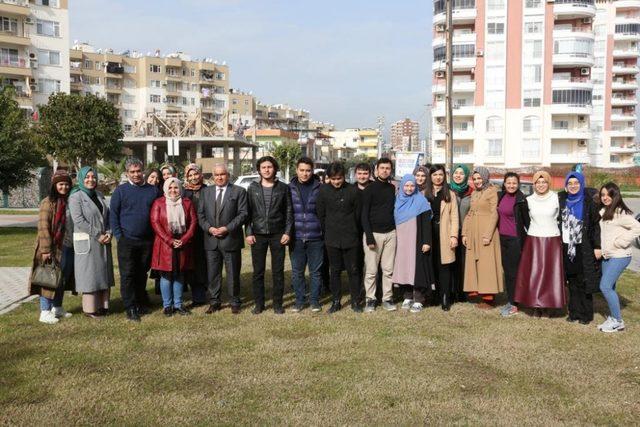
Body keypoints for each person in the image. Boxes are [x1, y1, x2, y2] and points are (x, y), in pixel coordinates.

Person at [110, 157, 160, 322]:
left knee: (142, 273)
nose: (136, 174)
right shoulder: (120, 191)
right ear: (127, 173)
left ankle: (140, 302)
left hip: (147, 240)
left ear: (143, 171)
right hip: (127, 240)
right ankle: (130, 307)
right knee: (128, 275)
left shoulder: (152, 190)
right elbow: (114, 215)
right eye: (132, 172)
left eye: (139, 171)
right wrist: (119, 236)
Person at [245, 156, 294, 314]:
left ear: (275, 169)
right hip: (258, 234)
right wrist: (248, 232)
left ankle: (278, 304)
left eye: (270, 167)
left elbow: (288, 212)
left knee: (277, 271)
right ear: (259, 169)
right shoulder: (252, 188)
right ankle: (259, 304)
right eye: (263, 167)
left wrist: (287, 232)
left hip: (277, 234)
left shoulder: (284, 188)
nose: (267, 170)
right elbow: (248, 213)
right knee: (258, 271)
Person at [197, 163, 248, 314]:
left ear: (228, 175)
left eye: (222, 174)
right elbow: (200, 215)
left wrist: (227, 228)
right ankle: (214, 301)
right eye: (217, 175)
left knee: (232, 273)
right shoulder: (206, 192)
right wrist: (210, 228)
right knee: (213, 273)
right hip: (211, 240)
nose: (219, 177)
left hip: (230, 239)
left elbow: (243, 214)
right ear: (213, 177)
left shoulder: (239, 191)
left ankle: (234, 301)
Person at [514, 171, 565, 316]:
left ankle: (549, 304)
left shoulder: (557, 198)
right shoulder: (528, 200)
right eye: (538, 182)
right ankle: (535, 304)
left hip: (552, 239)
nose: (541, 185)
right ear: (534, 184)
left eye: (544, 182)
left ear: (549, 183)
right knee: (535, 273)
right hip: (534, 239)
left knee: (550, 273)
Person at [29, 170, 75, 324]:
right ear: (54, 185)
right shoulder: (47, 202)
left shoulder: (68, 201)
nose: (64, 187)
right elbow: (43, 227)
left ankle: (57, 307)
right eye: (61, 184)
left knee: (61, 279)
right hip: (52, 248)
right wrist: (46, 250)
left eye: (67, 184)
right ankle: (45, 311)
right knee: (47, 278)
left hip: (67, 246)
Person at [68, 166, 115, 318]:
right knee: (89, 274)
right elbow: (79, 220)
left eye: (93, 177)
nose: (91, 179)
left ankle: (103, 306)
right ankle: (90, 309)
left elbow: (106, 217)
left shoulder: (99, 195)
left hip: (103, 240)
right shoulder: (76, 197)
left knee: (102, 273)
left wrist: (108, 232)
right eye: (87, 177)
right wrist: (97, 234)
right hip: (87, 240)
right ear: (81, 179)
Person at [316, 162, 362, 313]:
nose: (336, 181)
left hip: (351, 237)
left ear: (344, 177)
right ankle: (336, 301)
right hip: (332, 238)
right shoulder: (323, 191)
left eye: (339, 178)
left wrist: (353, 230)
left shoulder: (353, 191)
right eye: (333, 178)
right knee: (334, 270)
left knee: (354, 270)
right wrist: (328, 230)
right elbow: (321, 214)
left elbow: (358, 215)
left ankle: (355, 301)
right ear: (328, 178)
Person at [558, 171, 602, 325]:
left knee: (584, 281)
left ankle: (586, 314)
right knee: (571, 281)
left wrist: (597, 246)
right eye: (570, 183)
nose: (573, 186)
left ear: (582, 184)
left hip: (583, 246)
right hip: (566, 246)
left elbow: (596, 225)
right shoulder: (561, 199)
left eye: (576, 183)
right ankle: (574, 312)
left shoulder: (589, 202)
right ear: (566, 186)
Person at [150, 177, 197, 316]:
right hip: (165, 244)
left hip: (182, 243)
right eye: (170, 187)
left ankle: (178, 304)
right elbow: (155, 223)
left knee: (179, 275)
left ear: (180, 188)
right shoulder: (158, 203)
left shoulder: (187, 203)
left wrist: (184, 239)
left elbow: (193, 222)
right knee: (166, 276)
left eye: (176, 187)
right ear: (165, 188)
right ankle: (167, 305)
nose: (173, 190)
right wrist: (170, 240)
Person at [597, 183, 640, 332]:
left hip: (620, 255)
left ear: (616, 196)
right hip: (607, 255)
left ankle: (618, 321)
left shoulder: (621, 213)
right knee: (611, 287)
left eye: (609, 195)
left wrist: (621, 242)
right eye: (603, 195)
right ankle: (612, 317)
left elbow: (637, 227)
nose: (605, 197)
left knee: (605, 286)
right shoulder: (604, 211)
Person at [462, 167, 503, 309]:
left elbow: (494, 214)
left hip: (486, 232)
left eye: (479, 178)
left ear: (485, 178)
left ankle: (489, 298)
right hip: (474, 232)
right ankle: (479, 292)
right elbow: (470, 213)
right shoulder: (474, 193)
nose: (477, 181)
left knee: (487, 265)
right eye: (475, 179)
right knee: (477, 263)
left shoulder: (492, 192)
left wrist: (488, 234)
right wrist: (465, 233)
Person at [392, 174, 434, 313]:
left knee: (416, 268)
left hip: (416, 240)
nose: (409, 188)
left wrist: (427, 241)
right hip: (402, 241)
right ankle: (407, 296)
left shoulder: (420, 201)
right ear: (402, 186)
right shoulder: (398, 200)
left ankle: (418, 298)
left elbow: (426, 223)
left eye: (412, 185)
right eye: (406, 185)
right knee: (404, 267)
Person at [361, 158, 397, 312]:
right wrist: (369, 236)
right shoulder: (369, 189)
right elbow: (364, 215)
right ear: (376, 169)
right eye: (382, 168)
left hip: (391, 234)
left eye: (388, 168)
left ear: (391, 170)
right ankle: (370, 299)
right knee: (371, 270)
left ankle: (387, 298)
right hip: (373, 234)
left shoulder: (392, 188)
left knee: (388, 269)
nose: (384, 170)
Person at [289, 157, 324, 312]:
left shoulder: (320, 188)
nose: (305, 174)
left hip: (316, 236)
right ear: (296, 170)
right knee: (297, 272)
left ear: (312, 171)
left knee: (315, 272)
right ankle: (299, 300)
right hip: (295, 237)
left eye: (308, 170)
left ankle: (315, 301)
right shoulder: (289, 188)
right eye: (302, 170)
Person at [424, 165, 459, 311]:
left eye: (440, 175)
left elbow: (455, 217)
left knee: (444, 266)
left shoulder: (449, 194)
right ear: (430, 177)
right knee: (430, 265)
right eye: (434, 175)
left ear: (444, 176)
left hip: (444, 233)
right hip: (428, 233)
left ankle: (445, 296)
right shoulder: (424, 194)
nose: (438, 177)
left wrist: (454, 236)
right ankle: (433, 295)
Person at [497, 172, 529, 317]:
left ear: (518, 184)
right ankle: (511, 300)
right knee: (507, 272)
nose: (511, 185)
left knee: (514, 273)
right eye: (508, 183)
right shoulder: (500, 196)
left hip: (515, 240)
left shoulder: (521, 200)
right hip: (501, 239)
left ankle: (515, 304)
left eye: (514, 183)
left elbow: (527, 222)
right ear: (504, 184)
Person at [182, 163, 208, 307]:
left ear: (200, 174)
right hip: (189, 234)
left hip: (206, 233)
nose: (193, 178)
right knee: (192, 265)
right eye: (190, 175)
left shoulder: (208, 190)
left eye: (196, 174)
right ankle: (197, 295)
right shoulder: (184, 193)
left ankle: (206, 290)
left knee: (205, 264)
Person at [449, 164, 473, 302]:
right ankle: (451, 290)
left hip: (465, 233)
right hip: (450, 232)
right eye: (456, 173)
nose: (458, 175)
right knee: (450, 262)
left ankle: (463, 291)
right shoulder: (448, 190)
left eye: (461, 173)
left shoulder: (471, 192)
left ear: (466, 176)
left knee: (463, 263)